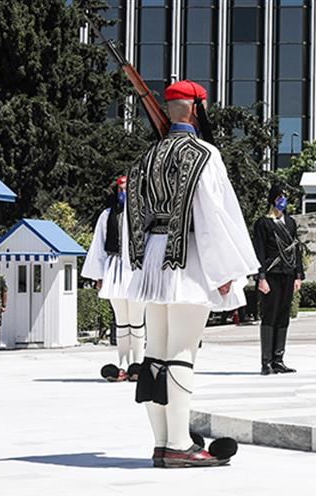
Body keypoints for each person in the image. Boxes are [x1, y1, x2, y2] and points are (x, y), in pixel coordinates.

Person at [124, 80, 258, 468]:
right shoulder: (204, 154)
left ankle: (161, 443)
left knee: (155, 352)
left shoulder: (147, 156)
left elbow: (134, 214)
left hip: (153, 259)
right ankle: (180, 444)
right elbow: (214, 213)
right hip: (188, 257)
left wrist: (141, 259)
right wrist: (226, 268)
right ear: (198, 109)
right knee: (183, 350)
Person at [82, 175, 147, 382]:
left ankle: (138, 363)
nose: (124, 193)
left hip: (136, 269)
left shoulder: (145, 214)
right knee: (121, 321)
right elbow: (98, 246)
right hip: (115, 268)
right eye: (121, 189)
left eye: (127, 189)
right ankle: (122, 363)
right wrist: (99, 275)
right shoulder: (107, 215)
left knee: (136, 320)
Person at [252, 183, 303, 375]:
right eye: (280, 197)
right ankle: (266, 362)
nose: (283, 201)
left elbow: (295, 250)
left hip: (287, 274)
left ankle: (278, 360)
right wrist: (261, 277)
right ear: (273, 199)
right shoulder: (263, 223)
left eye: (285, 197)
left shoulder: (290, 222)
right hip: (271, 275)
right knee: (269, 315)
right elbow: (259, 251)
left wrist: (299, 275)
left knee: (283, 316)